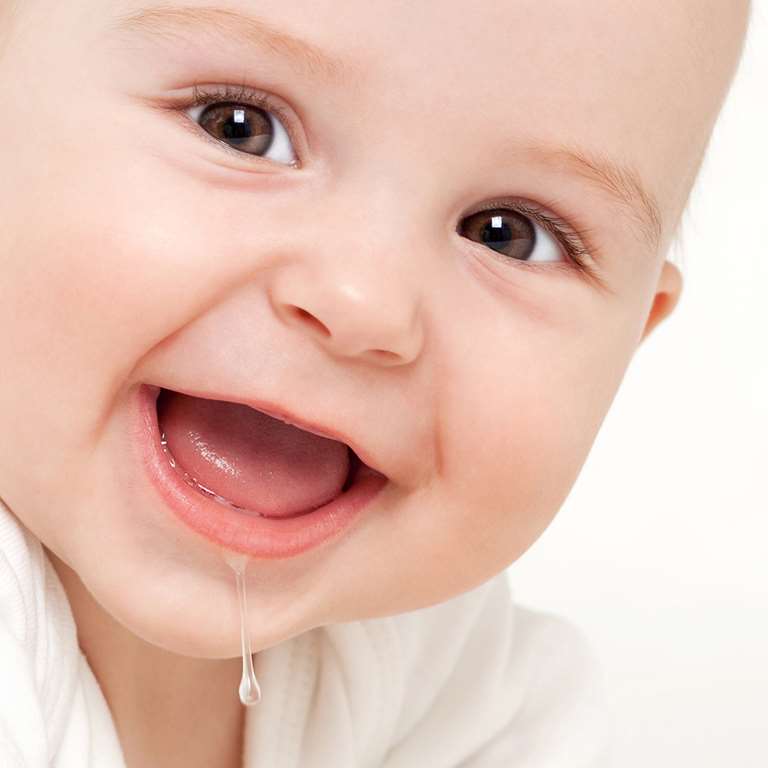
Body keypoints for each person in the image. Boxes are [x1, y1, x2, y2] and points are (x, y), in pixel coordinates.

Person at [0, 1, 752, 766]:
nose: (364, 303)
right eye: (239, 127)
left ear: (631, 341)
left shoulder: (447, 667)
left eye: (509, 233)